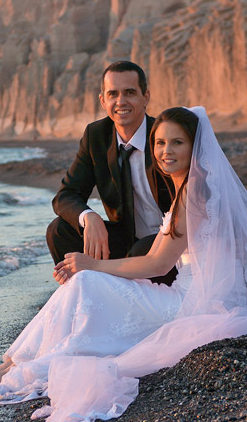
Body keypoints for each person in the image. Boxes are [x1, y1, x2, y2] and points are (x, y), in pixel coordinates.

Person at [0, 106, 247, 422]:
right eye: (161, 143)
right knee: (86, 282)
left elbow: (157, 265)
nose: (166, 151)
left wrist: (92, 264)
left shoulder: (193, 192)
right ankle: (12, 364)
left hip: (189, 303)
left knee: (88, 280)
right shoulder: (191, 186)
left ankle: (18, 365)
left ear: (195, 146)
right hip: (192, 291)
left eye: (177, 143)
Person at [47, 61, 177, 285]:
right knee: (58, 230)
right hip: (125, 243)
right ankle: (89, 292)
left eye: (129, 92)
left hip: (172, 247)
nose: (121, 101)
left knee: (144, 248)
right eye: (113, 94)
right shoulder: (96, 136)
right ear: (102, 100)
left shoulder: (164, 135)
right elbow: (66, 195)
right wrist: (89, 217)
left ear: (145, 97)